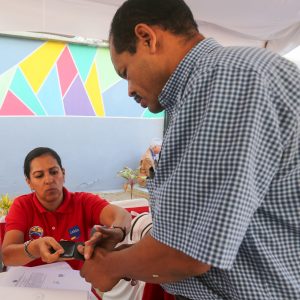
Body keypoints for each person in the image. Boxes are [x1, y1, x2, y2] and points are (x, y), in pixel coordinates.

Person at [80, 0, 300, 299]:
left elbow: (188, 254)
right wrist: (127, 252)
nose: (129, 89)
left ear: (147, 38)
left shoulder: (228, 79)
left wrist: (110, 267)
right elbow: (199, 234)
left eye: (125, 72)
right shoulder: (203, 88)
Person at [2, 147, 132, 270]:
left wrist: (117, 230)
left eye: (54, 172)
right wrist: (34, 248)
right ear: (29, 182)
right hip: (31, 287)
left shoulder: (83, 202)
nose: (49, 180)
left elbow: (122, 215)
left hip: (78, 286)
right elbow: (7, 256)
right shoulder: (22, 206)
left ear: (63, 174)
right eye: (39, 175)